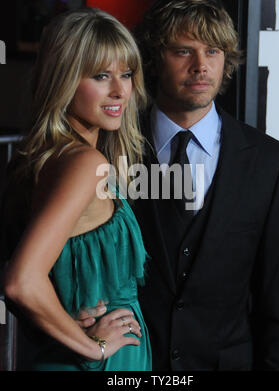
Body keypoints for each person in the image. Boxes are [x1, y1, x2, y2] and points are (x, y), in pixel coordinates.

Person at [131, 0, 279, 370]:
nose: (201, 66)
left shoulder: (272, 163)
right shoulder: (112, 150)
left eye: (213, 51)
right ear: (157, 57)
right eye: (183, 51)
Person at [1, 8, 152, 371]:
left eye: (127, 74)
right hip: (98, 362)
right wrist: (93, 347)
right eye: (101, 76)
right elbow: (21, 283)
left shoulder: (35, 159)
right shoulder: (85, 165)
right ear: (64, 79)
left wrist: (68, 321)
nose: (120, 90)